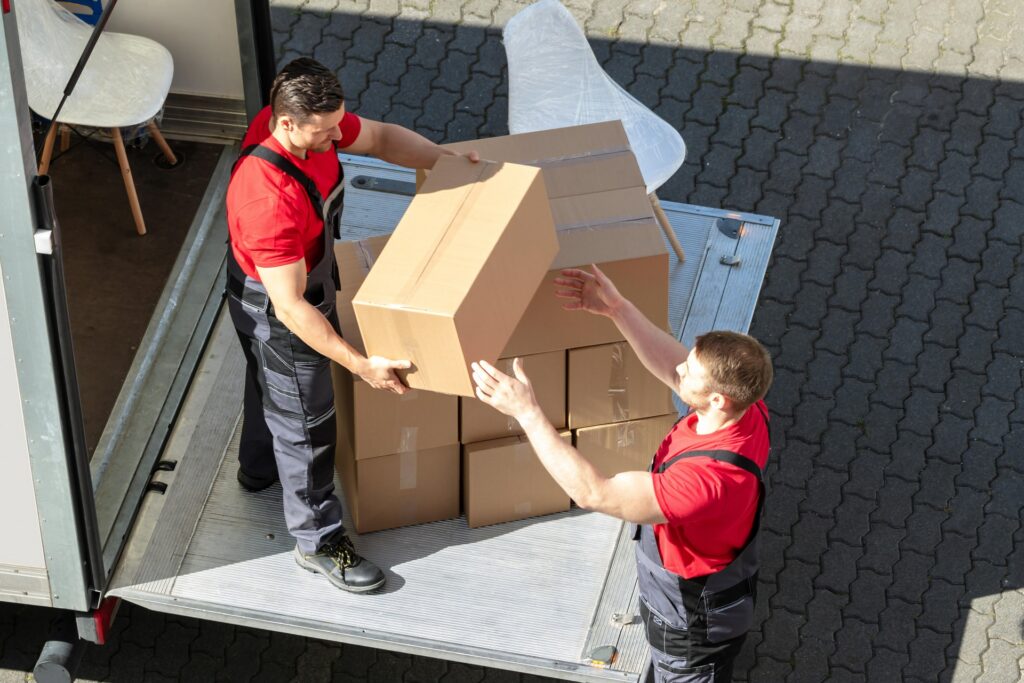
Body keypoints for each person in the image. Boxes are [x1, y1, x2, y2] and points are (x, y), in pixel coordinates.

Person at [225, 57, 477, 593]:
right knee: (308, 423)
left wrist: (446, 161)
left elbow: (382, 137)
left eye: (339, 123)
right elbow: (292, 308)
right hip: (280, 305)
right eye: (326, 131)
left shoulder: (310, 124)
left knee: (266, 383)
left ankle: (257, 469)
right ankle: (318, 542)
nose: (339, 135)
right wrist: (361, 366)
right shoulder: (267, 199)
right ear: (286, 123)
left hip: (281, 282)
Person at [471, 264, 773, 682]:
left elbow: (594, 492)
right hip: (705, 591)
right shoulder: (747, 410)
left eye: (691, 371)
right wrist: (617, 309)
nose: (680, 369)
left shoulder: (706, 482)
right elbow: (673, 367)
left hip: (690, 628)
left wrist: (526, 411)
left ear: (719, 399)